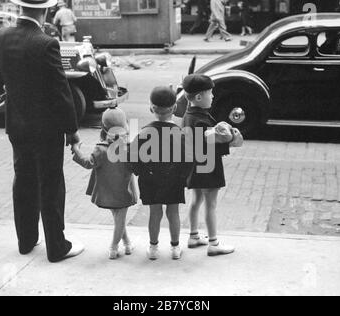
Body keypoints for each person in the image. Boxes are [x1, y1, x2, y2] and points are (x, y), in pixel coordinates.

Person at [0, 0, 84, 263]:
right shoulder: (45, 43)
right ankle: (57, 246)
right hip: (47, 127)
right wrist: (72, 130)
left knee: (23, 180)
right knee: (51, 184)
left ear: (19, 9)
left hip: (17, 123)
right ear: (44, 11)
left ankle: (26, 240)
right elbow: (61, 91)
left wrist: (1, 86)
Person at [182, 74, 244, 256]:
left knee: (196, 200)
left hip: (194, 166)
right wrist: (232, 141)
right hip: (208, 168)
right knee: (211, 204)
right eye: (210, 93)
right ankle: (214, 244)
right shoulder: (201, 120)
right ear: (199, 97)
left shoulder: (189, 115)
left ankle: (193, 236)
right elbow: (209, 144)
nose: (213, 96)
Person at [130, 87, 192, 261]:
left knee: (154, 213)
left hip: (150, 180)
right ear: (174, 108)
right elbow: (189, 159)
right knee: (173, 213)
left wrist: (141, 173)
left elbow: (133, 158)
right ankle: (175, 247)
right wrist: (182, 178)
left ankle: (153, 247)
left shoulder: (143, 133)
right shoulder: (181, 135)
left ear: (151, 108)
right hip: (174, 179)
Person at [72, 108, 138, 260]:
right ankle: (113, 248)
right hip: (124, 192)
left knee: (118, 219)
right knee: (120, 219)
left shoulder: (100, 149)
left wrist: (76, 149)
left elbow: (87, 163)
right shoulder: (128, 149)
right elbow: (137, 167)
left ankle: (127, 243)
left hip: (107, 193)